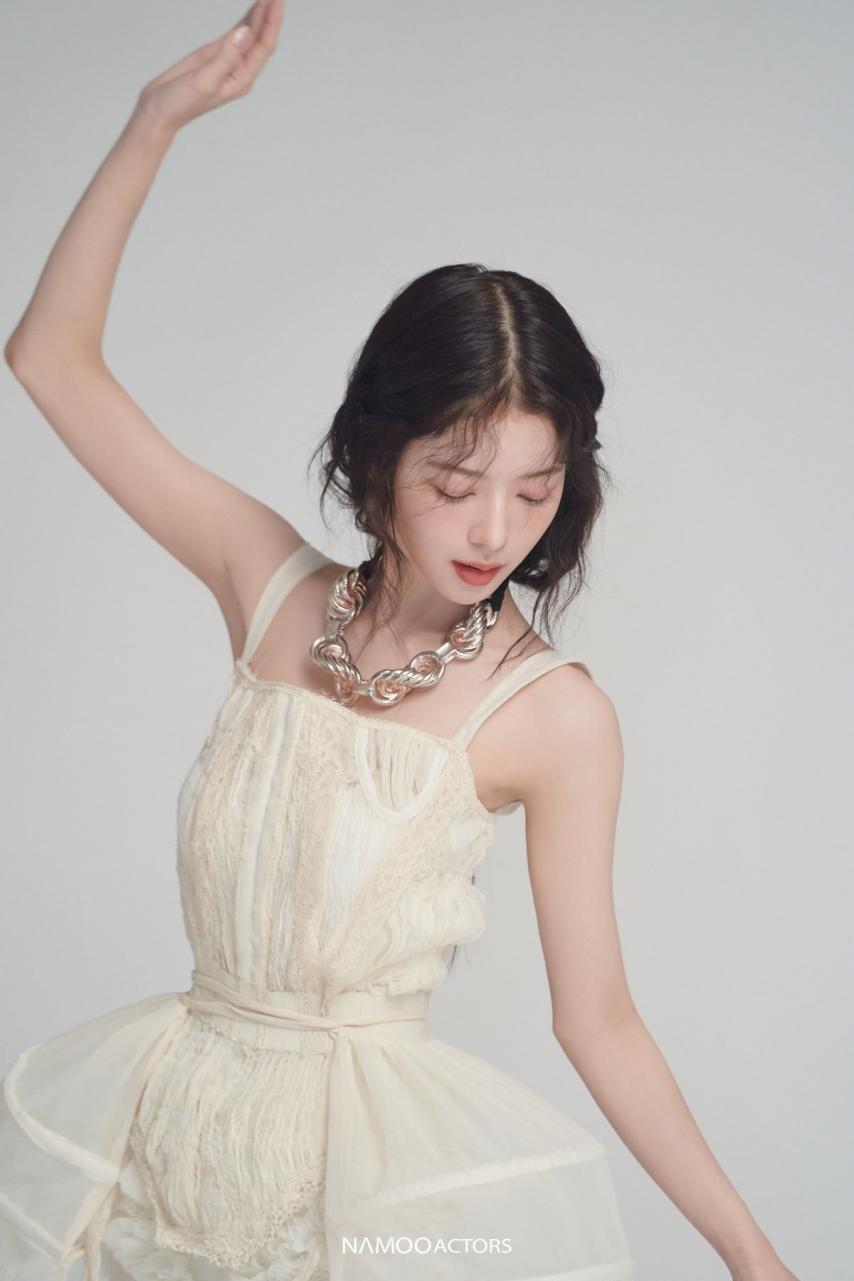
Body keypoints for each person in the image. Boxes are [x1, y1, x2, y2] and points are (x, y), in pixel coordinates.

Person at [1, 3, 799, 1280]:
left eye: (534, 491)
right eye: (454, 481)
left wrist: (750, 1255)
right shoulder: (267, 586)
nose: (493, 530)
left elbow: (598, 1018)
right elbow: (50, 359)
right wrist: (154, 124)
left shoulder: (552, 715)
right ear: (377, 457)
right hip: (158, 1162)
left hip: (356, 1211)